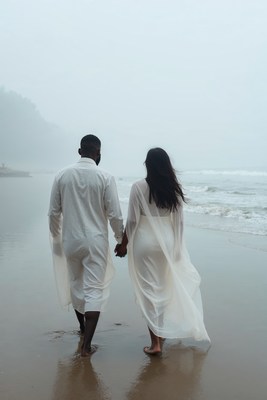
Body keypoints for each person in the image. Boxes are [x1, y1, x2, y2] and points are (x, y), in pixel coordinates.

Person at [115, 148, 210, 355]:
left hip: (145, 243)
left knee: (149, 291)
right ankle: (162, 332)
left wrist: (123, 244)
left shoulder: (138, 187)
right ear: (167, 166)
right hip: (167, 241)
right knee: (164, 287)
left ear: (147, 164)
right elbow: (180, 222)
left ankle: (155, 343)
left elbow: (132, 220)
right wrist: (177, 247)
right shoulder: (173, 189)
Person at [49, 134, 124, 356]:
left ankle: (82, 328)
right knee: (93, 290)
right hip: (95, 242)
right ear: (98, 153)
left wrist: (55, 238)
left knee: (76, 284)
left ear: (79, 151)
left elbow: (53, 212)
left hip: (70, 241)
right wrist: (120, 240)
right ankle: (86, 346)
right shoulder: (105, 177)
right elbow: (115, 214)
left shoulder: (62, 175)